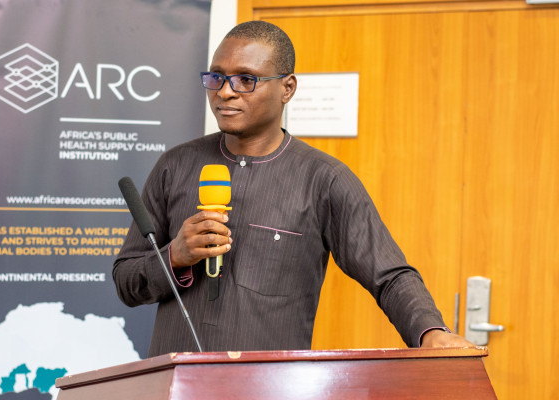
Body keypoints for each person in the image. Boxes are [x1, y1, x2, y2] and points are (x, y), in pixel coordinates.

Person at [113, 20, 472, 356]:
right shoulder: (175, 166)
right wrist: (175, 255)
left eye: (246, 80)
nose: (225, 92)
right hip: (176, 384)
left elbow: (389, 276)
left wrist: (430, 332)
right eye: (217, 77)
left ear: (287, 88)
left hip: (270, 386)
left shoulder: (324, 179)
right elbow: (126, 281)